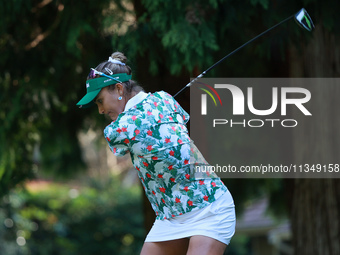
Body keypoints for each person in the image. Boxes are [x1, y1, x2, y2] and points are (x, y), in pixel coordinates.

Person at [77, 52, 236, 255]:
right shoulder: (164, 99)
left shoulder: (117, 130)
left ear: (118, 88)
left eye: (100, 101)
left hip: (210, 206)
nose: (100, 110)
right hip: (171, 216)